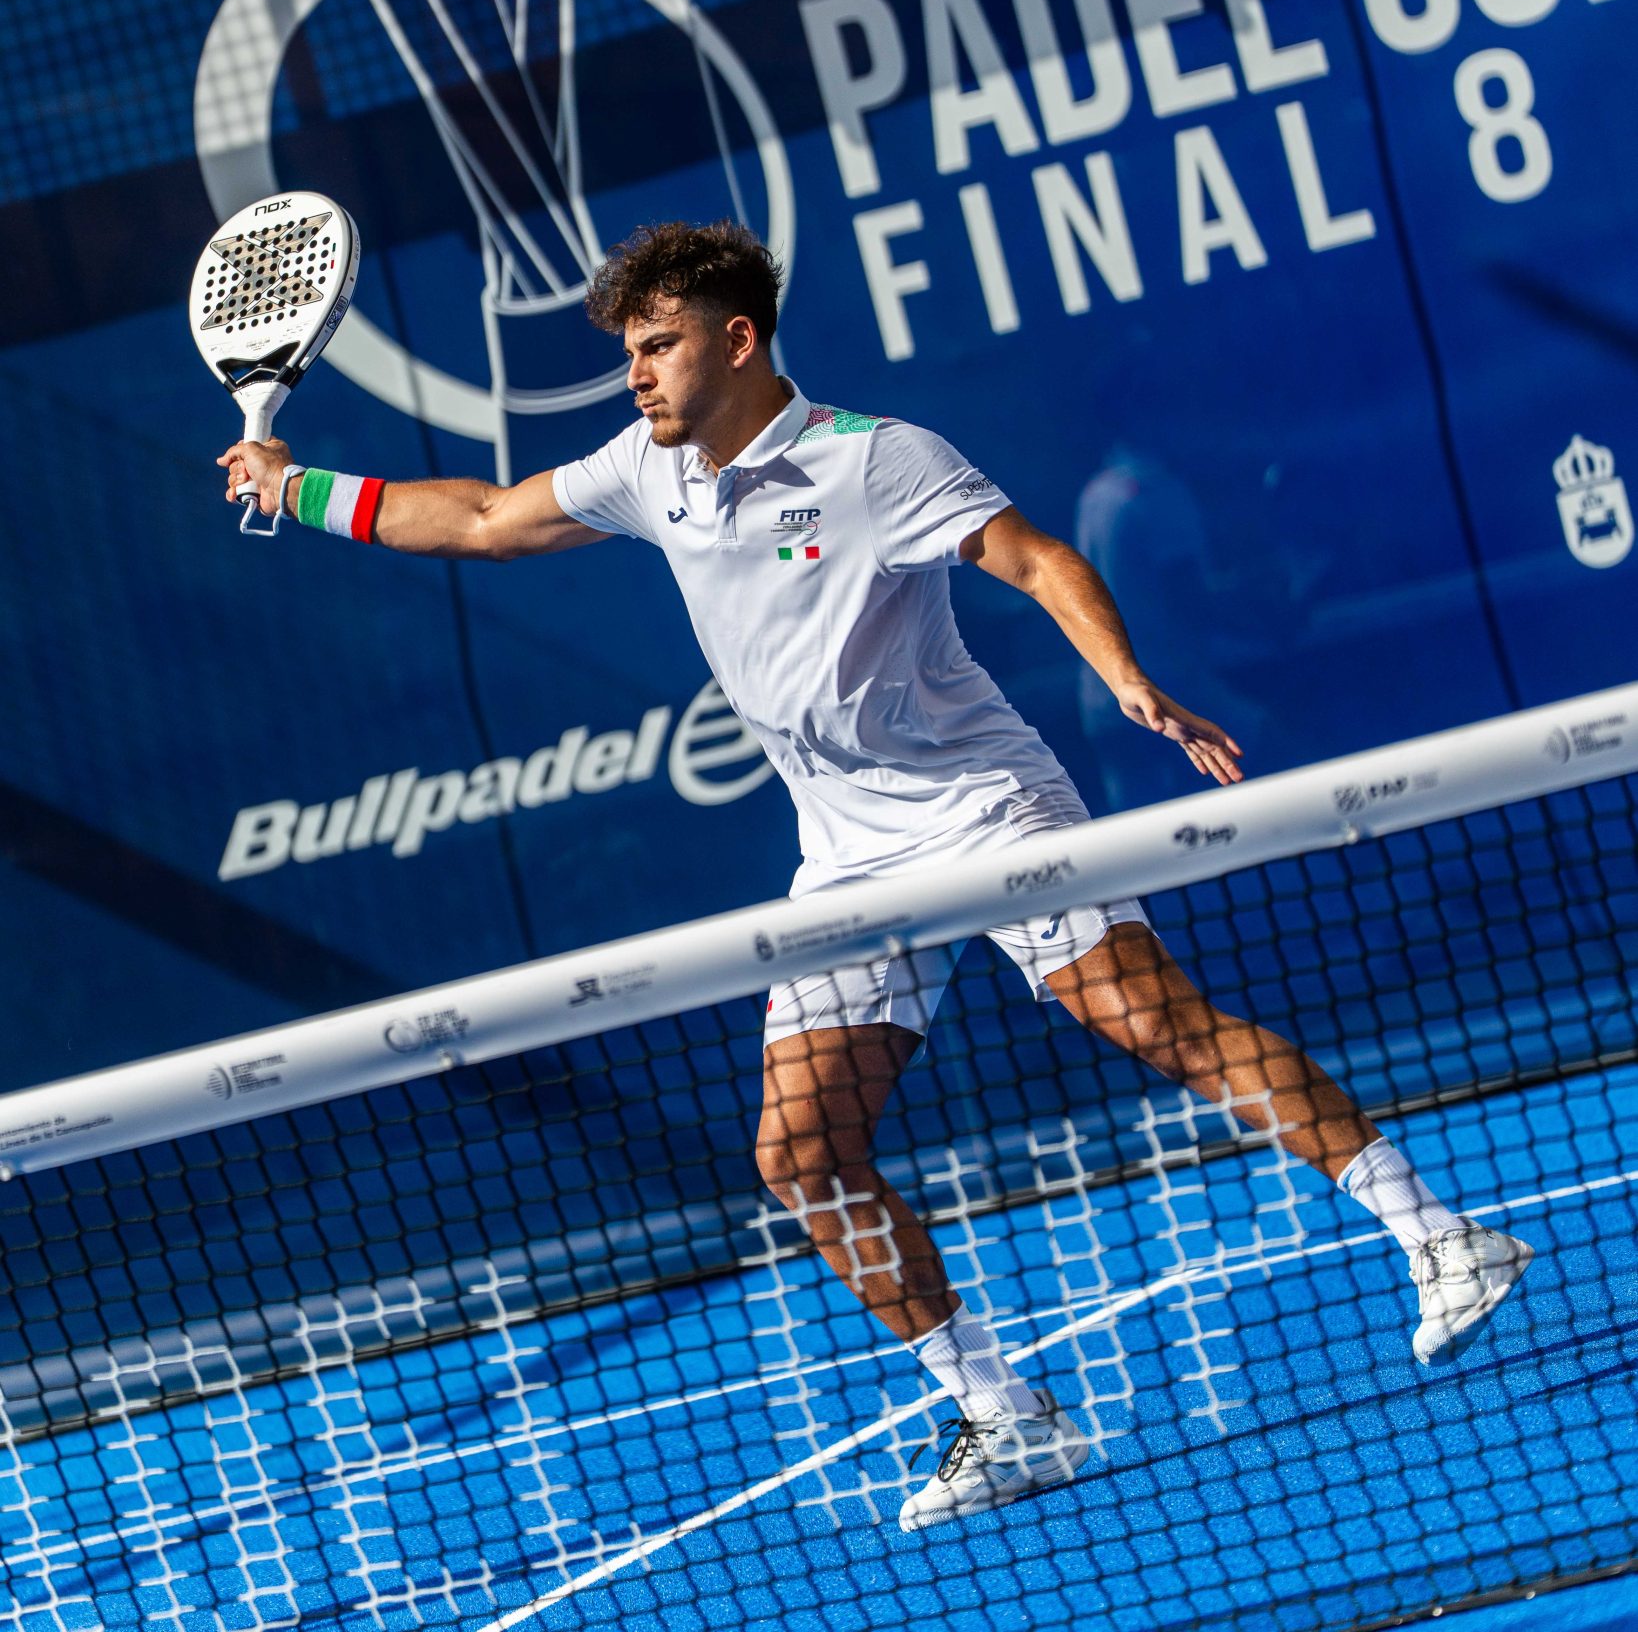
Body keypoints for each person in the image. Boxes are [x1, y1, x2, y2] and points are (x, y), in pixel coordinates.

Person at [220, 219, 1534, 1532]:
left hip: (986, 810)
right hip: (845, 855)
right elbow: (484, 520)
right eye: (630, 350)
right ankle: (1008, 1416)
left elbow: (1036, 558)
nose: (636, 373)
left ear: (739, 341)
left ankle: (1441, 1236)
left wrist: (1128, 682)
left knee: (1151, 1021)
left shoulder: (876, 459)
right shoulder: (646, 468)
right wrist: (299, 488)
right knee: (800, 1153)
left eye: (659, 345)